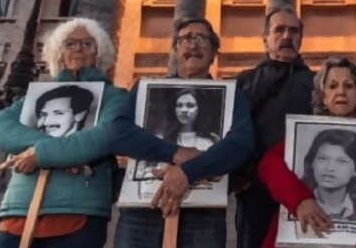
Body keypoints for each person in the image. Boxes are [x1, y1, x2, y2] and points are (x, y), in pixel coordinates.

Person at [107, 17, 255, 248]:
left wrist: (187, 172)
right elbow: (117, 133)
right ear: (175, 50)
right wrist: (177, 153)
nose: (193, 45)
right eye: (185, 39)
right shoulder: (144, 89)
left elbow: (241, 143)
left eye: (201, 39)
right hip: (143, 212)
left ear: (214, 52)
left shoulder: (232, 94)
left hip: (204, 215)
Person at [0, 17, 128, 248]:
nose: (78, 49)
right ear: (59, 53)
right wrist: (49, 151)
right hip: (20, 208)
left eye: (87, 43)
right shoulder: (37, 95)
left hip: (79, 210)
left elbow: (101, 138)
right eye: (70, 43)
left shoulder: (115, 96)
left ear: (98, 53)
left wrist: (39, 154)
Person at [257, 57, 356, 248]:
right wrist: (300, 200)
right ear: (323, 97)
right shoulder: (305, 132)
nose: (341, 92)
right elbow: (269, 164)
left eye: (349, 86)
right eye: (332, 86)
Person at [233, 7, 316, 248]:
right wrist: (240, 179)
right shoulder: (244, 82)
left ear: (301, 38)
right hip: (255, 191)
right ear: (265, 38)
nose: (286, 36)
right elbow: (229, 133)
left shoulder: (317, 84)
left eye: (293, 31)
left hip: (305, 190)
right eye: (279, 30)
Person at [301, 128, 356, 222]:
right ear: (312, 163)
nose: (330, 168)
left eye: (341, 161)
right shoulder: (298, 201)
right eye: (323, 158)